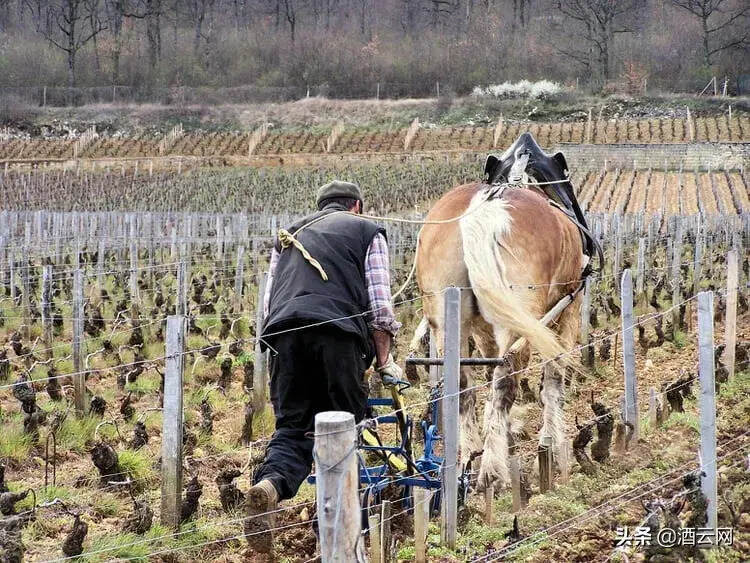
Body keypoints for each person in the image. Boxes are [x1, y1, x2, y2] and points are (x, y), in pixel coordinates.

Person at [245, 180, 402, 553]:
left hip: (283, 338)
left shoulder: (288, 235)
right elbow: (380, 307)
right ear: (358, 206)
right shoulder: (366, 230)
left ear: (319, 207)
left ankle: (270, 486)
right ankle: (336, 527)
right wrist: (384, 362)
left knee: (293, 427)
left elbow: (269, 304)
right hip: (338, 335)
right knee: (346, 426)